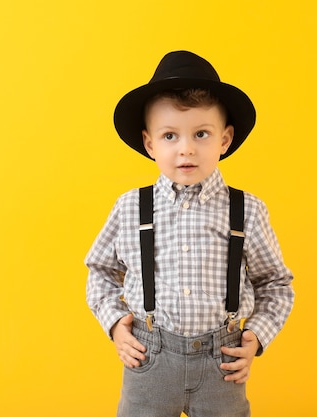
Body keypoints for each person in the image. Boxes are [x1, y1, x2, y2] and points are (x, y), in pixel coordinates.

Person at [85, 50, 294, 417]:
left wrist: (256, 336)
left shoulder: (247, 210)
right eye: (169, 136)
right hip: (149, 361)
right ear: (150, 144)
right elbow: (100, 271)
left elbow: (276, 283)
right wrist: (116, 324)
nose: (186, 149)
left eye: (201, 133)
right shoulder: (130, 207)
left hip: (222, 365)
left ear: (224, 139)